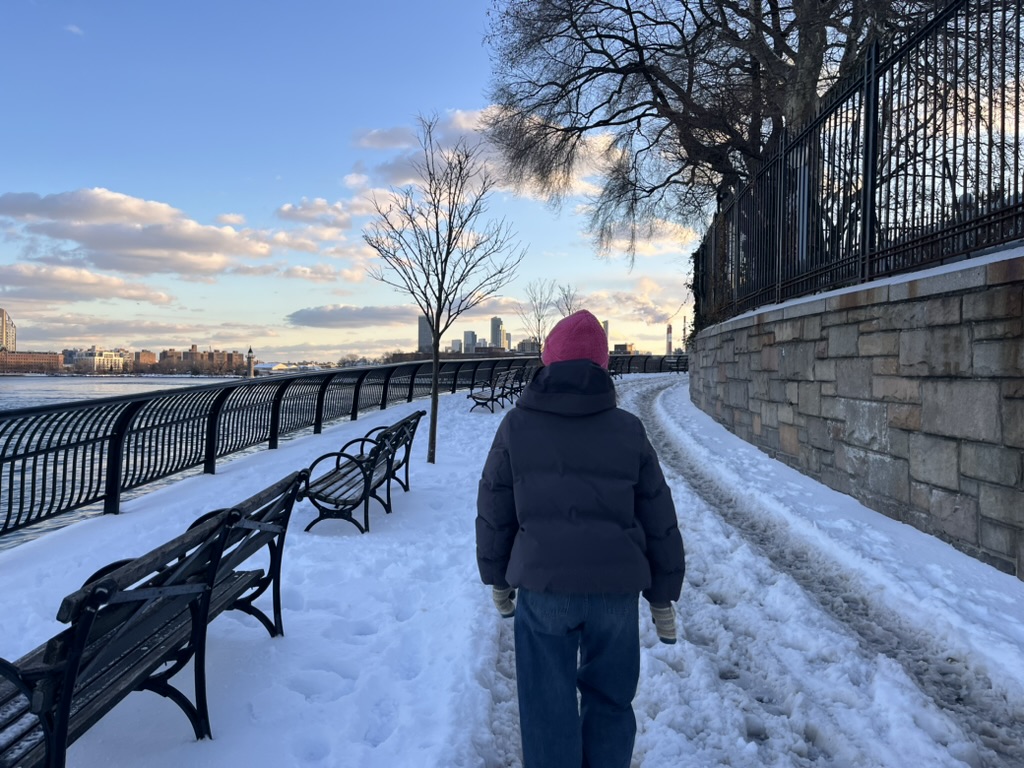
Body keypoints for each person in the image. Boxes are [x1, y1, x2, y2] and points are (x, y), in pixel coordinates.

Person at [475, 309, 686, 768]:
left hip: (543, 588)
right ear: (602, 368)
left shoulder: (516, 427)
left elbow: (495, 506)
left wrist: (497, 577)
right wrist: (663, 595)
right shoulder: (628, 430)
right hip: (615, 593)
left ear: (548, 362)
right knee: (611, 701)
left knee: (545, 706)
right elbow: (658, 514)